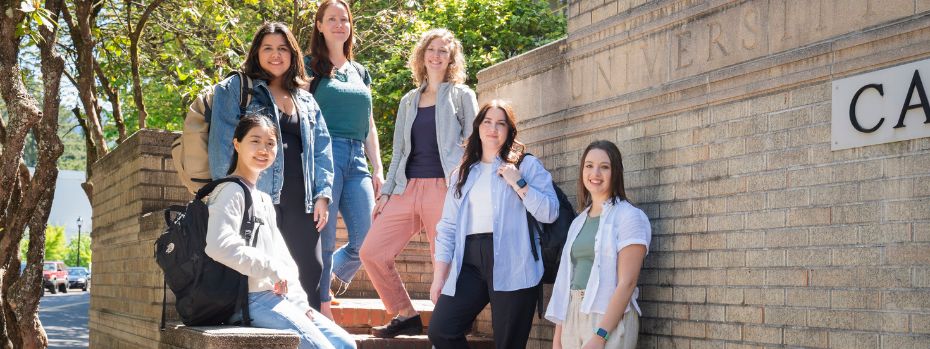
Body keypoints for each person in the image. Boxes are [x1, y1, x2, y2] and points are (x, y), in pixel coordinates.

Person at [358, 28, 478, 338]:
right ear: (422, 56)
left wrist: (462, 181)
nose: (437, 55)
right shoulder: (409, 101)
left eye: (443, 51)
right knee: (372, 251)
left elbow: (474, 143)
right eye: (432, 50)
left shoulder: (462, 95)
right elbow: (398, 151)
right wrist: (386, 194)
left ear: (451, 58)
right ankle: (404, 313)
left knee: (444, 258)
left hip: (444, 187)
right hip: (407, 187)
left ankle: (446, 326)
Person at [209, 22, 333, 311]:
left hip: (302, 201)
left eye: (282, 49)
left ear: (292, 54)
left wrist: (323, 195)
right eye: (268, 48)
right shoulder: (236, 88)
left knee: (309, 272)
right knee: (262, 275)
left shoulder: (306, 100)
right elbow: (221, 146)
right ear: (256, 52)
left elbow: (322, 149)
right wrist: (231, 195)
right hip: (257, 198)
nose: (276, 55)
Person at [204, 114, 355, 349]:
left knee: (346, 344)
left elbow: (282, 258)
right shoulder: (229, 191)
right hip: (248, 298)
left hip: (275, 297)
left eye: (270, 143)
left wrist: (300, 303)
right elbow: (218, 245)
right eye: (255, 141)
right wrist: (270, 269)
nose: (263, 149)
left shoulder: (263, 199)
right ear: (236, 143)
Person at [427, 100, 559, 348]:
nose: (493, 129)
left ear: (509, 131)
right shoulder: (463, 173)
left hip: (515, 262)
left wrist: (519, 183)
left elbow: (550, 212)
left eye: (501, 124)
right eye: (487, 122)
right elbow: (447, 229)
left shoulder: (526, 165)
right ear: (478, 127)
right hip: (470, 263)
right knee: (441, 330)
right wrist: (439, 277)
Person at [305, 0, 384, 318]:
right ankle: (321, 302)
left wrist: (377, 166)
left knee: (367, 240)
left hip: (357, 161)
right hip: (326, 154)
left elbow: (370, 123)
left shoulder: (360, 71)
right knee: (323, 235)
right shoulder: (310, 67)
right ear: (320, 26)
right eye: (331, 19)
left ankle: (325, 279)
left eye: (344, 19)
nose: (339, 24)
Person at [545, 140, 651, 349]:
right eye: (589, 165)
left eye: (604, 167)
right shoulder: (578, 222)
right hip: (573, 314)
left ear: (616, 173)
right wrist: (558, 336)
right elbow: (566, 281)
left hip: (607, 318)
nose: (595, 173)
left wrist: (600, 335)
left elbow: (627, 283)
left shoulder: (629, 216)